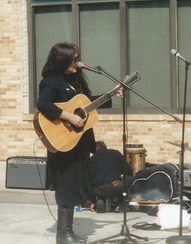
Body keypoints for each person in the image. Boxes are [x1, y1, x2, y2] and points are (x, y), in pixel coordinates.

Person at [36, 42, 111, 244]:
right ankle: (64, 235)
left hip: (77, 144)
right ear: (62, 60)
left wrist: (111, 96)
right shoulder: (51, 81)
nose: (77, 62)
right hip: (63, 144)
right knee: (66, 187)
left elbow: (85, 104)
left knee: (75, 186)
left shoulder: (74, 81)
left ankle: (68, 232)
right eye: (74, 59)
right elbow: (42, 103)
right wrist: (68, 116)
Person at [88, 141, 133, 213]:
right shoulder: (115, 153)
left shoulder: (91, 159)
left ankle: (99, 200)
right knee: (129, 178)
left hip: (98, 190)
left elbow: (88, 179)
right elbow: (128, 170)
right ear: (105, 147)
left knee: (90, 184)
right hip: (115, 187)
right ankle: (121, 205)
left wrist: (91, 200)